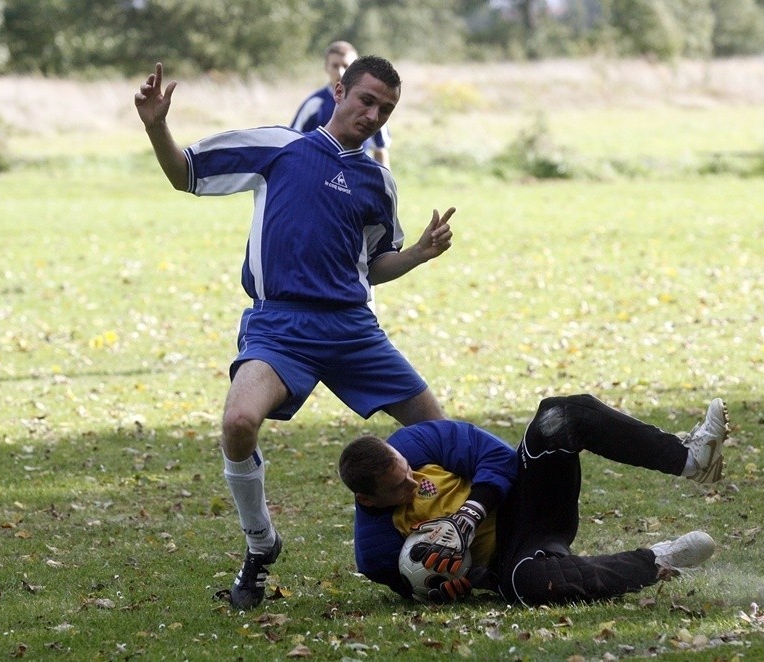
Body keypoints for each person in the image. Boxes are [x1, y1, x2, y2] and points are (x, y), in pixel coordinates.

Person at [134, 56, 455, 610]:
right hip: (280, 325)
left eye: (386, 109)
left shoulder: (378, 182)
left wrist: (419, 255)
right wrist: (157, 125)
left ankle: (457, 539)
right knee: (238, 421)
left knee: (443, 435)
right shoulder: (279, 147)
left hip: (352, 329)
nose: (373, 114)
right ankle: (261, 545)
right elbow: (184, 173)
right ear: (339, 91)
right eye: (367, 100)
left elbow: (375, 265)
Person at [339, 394, 729, 605]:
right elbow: (414, 588)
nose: (411, 481)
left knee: (557, 415)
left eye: (407, 470)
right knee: (530, 586)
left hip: (525, 504)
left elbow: (499, 459)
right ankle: (659, 559)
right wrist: (449, 588)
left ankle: (691, 457)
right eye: (399, 487)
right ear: (368, 500)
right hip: (512, 556)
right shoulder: (375, 551)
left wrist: (467, 516)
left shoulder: (415, 442)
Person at [291, 41, 391, 167]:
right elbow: (292, 143)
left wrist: (384, 184)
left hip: (356, 178)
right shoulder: (314, 104)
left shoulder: (371, 105)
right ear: (326, 67)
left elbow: (380, 149)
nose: (341, 72)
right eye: (335, 66)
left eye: (346, 65)